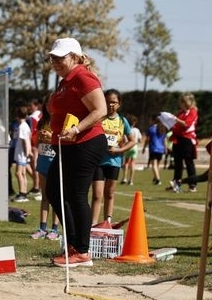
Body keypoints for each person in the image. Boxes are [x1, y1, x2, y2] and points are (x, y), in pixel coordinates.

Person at [44, 38, 108, 267]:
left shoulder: (82, 76)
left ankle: (81, 250)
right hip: (67, 145)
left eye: (61, 57)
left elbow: (100, 110)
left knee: (76, 194)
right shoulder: (65, 81)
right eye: (53, 58)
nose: (56, 62)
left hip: (86, 143)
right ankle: (73, 245)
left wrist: (76, 129)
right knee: (53, 190)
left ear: (75, 57)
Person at [91, 89, 135, 228]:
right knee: (97, 194)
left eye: (114, 102)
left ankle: (107, 223)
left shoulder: (122, 121)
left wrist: (120, 150)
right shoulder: (98, 118)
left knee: (109, 193)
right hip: (98, 161)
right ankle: (93, 224)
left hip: (114, 162)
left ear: (119, 104)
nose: (110, 105)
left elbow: (132, 140)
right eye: (108, 102)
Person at [30, 95, 60, 240]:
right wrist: (40, 138)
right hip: (42, 162)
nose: (49, 106)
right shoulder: (42, 121)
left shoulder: (61, 120)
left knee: (55, 198)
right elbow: (36, 143)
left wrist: (51, 136)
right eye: (47, 104)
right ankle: (42, 228)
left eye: (52, 103)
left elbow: (62, 139)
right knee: (45, 197)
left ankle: (54, 229)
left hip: (55, 162)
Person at [167, 93, 199, 193]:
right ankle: (176, 184)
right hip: (178, 139)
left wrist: (175, 119)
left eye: (183, 102)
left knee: (189, 163)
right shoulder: (180, 113)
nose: (181, 104)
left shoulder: (193, 112)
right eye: (181, 102)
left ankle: (192, 185)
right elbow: (176, 125)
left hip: (187, 140)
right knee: (177, 163)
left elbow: (186, 124)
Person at [11, 106, 31, 203]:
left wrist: (27, 152)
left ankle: (22, 193)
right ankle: (24, 193)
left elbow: (25, 141)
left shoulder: (22, 126)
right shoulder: (25, 125)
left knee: (18, 173)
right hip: (23, 154)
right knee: (23, 174)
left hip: (21, 154)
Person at [142, 114, 167, 185]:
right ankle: (155, 178)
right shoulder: (162, 128)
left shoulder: (151, 129)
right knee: (157, 165)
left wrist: (144, 147)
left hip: (154, 148)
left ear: (153, 120)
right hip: (161, 149)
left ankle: (158, 179)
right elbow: (164, 140)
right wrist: (165, 148)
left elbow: (147, 139)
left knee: (154, 165)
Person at [120, 114, 142, 185]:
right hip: (134, 147)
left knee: (126, 162)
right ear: (134, 122)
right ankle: (131, 180)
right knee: (133, 163)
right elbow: (140, 140)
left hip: (127, 146)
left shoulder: (126, 129)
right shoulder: (137, 130)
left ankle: (124, 178)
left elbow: (123, 139)